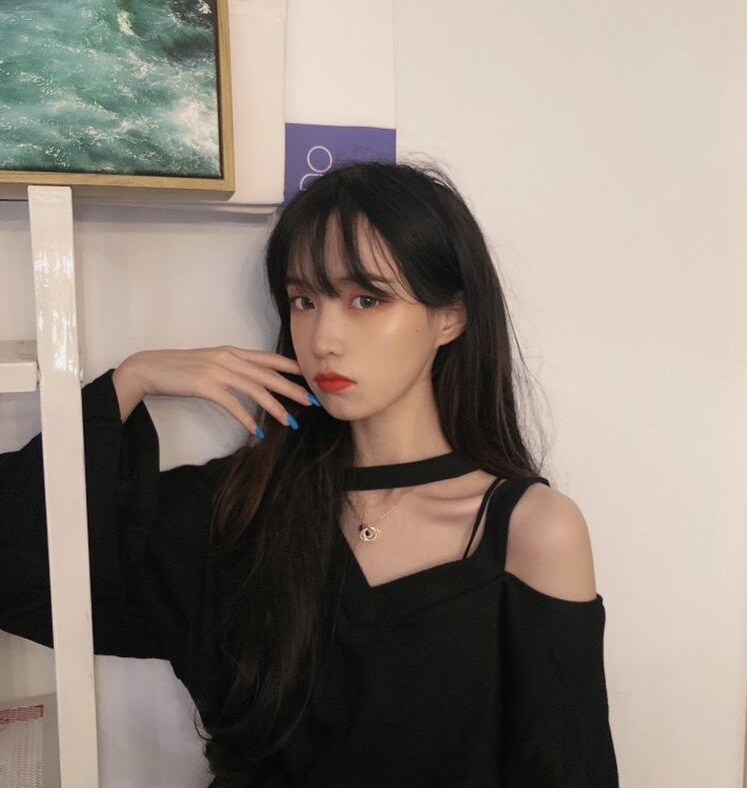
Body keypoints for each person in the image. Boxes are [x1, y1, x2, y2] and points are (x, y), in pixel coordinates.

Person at [0, 160, 619, 786]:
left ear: (450, 317)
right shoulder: (237, 508)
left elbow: (569, 770)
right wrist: (129, 382)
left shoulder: (531, 531)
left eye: (367, 299)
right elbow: (18, 568)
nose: (323, 338)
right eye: (304, 301)